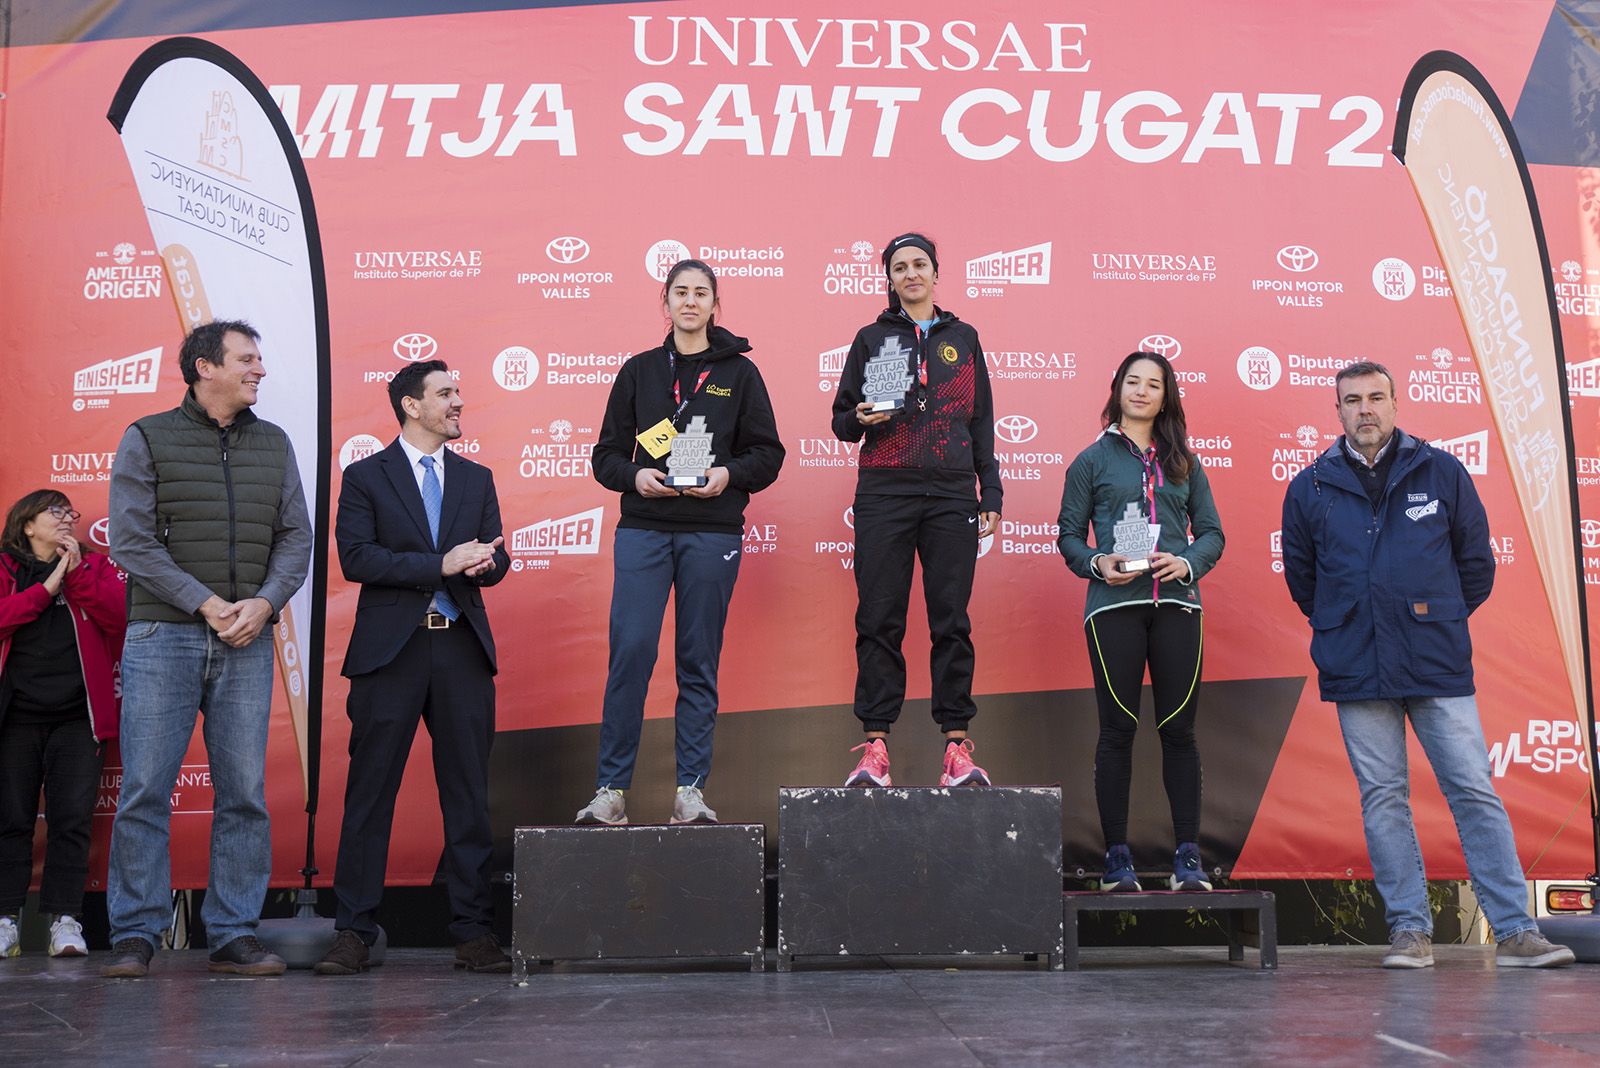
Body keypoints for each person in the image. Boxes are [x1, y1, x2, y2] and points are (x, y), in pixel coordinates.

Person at [1280, 360, 1575, 969]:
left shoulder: (1442, 471)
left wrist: (1431, 618)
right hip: (1357, 664)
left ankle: (1516, 931)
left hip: (1435, 661)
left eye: (1375, 398)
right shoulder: (1308, 488)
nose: (1365, 409)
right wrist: (1352, 624)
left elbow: (1476, 567)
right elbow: (1306, 584)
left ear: (1395, 402)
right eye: (1352, 400)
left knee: (1472, 790)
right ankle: (1410, 931)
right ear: (1337, 410)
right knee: (1383, 798)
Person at [103, 319, 312, 978]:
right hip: (163, 635)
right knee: (144, 789)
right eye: (247, 359)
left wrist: (264, 603)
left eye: (259, 357)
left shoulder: (273, 443)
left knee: (244, 793)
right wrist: (207, 603)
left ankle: (232, 932)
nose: (260, 370)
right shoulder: (146, 437)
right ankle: (135, 934)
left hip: (247, 638)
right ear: (204, 368)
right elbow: (131, 542)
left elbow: (295, 538)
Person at [316, 358, 511, 976]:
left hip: (459, 648)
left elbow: (493, 554)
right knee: (370, 794)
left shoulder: (476, 478)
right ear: (410, 405)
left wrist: (484, 565)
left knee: (468, 798)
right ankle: (354, 931)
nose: (458, 401)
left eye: (458, 390)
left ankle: (473, 932)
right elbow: (357, 558)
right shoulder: (366, 476)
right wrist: (441, 565)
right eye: (446, 393)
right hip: (390, 654)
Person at [576, 260, 784, 827]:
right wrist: (633, 477)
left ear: (716, 305)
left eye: (702, 293)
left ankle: (689, 790)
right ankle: (611, 791)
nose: (690, 302)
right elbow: (605, 456)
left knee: (697, 660)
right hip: (644, 526)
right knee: (632, 655)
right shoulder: (640, 371)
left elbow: (768, 454)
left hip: (710, 528)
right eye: (680, 292)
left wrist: (729, 475)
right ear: (663, 302)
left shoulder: (740, 374)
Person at [831, 232, 1001, 788]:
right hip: (886, 490)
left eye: (919, 264)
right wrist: (861, 418)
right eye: (899, 267)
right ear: (889, 278)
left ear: (936, 272)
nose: (910, 274)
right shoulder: (870, 338)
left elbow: (981, 424)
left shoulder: (965, 337)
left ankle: (956, 747)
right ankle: (875, 745)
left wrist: (990, 493)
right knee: (879, 618)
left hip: (952, 492)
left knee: (951, 619)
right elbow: (840, 423)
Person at [1057, 351, 1225, 893]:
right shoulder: (1091, 461)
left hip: (1178, 606)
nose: (1142, 391)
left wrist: (1188, 563)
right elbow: (1067, 536)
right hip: (1114, 609)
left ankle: (1188, 859)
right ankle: (1117, 861)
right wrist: (1096, 562)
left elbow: (1213, 534)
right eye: (1133, 381)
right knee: (1117, 731)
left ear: (1166, 396)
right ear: (1117, 388)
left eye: (1154, 384)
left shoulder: (1185, 463)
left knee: (1179, 731)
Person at [0, 492, 125, 958]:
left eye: (69, 512)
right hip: (15, 717)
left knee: (71, 821)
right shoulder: (5, 569)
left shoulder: (93, 568)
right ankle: (5, 920)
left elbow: (120, 619)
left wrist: (71, 579)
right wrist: (45, 589)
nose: (67, 519)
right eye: (54, 511)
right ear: (26, 525)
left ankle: (65, 921)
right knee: (11, 821)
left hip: (78, 716)